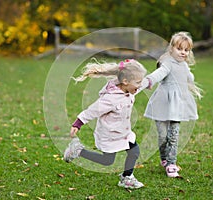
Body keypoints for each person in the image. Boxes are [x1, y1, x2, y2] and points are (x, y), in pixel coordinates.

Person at [63, 58, 147, 189]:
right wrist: (78, 123)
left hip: (124, 133)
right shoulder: (111, 98)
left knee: (134, 151)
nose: (140, 85)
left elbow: (143, 84)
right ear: (125, 81)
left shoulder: (129, 90)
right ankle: (78, 151)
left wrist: (151, 80)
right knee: (107, 161)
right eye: (138, 82)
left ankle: (126, 177)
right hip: (110, 134)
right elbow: (93, 110)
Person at [140, 31, 202, 177]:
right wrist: (149, 80)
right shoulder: (167, 63)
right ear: (171, 48)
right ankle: (164, 158)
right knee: (163, 136)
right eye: (179, 49)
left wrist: (189, 78)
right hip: (163, 103)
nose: (183, 53)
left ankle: (171, 163)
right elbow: (160, 73)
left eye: (186, 50)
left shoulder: (184, 66)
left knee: (173, 135)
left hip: (177, 105)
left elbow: (189, 78)